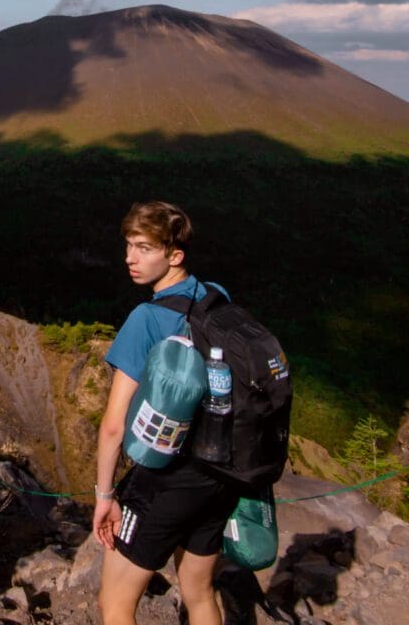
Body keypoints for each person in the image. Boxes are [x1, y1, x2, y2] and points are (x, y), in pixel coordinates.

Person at [92, 200, 239, 625]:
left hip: (166, 479)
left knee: (115, 605)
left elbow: (114, 425)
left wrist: (104, 497)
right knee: (200, 593)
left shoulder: (146, 318)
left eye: (144, 248)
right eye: (128, 245)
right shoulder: (216, 295)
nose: (129, 258)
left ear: (174, 255)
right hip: (219, 472)